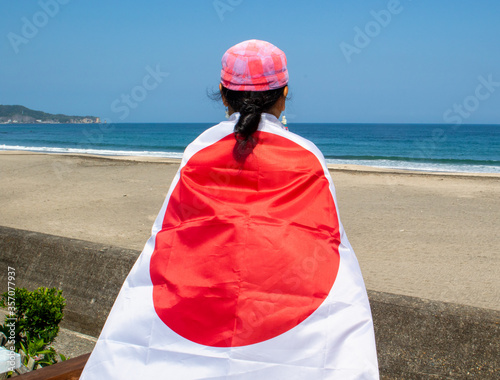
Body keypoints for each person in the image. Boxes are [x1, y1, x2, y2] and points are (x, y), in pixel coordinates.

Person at [81, 39, 379, 379]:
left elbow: (172, 234)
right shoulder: (307, 155)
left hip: (199, 312)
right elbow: (323, 241)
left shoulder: (200, 149)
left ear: (223, 94)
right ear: (284, 94)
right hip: (283, 314)